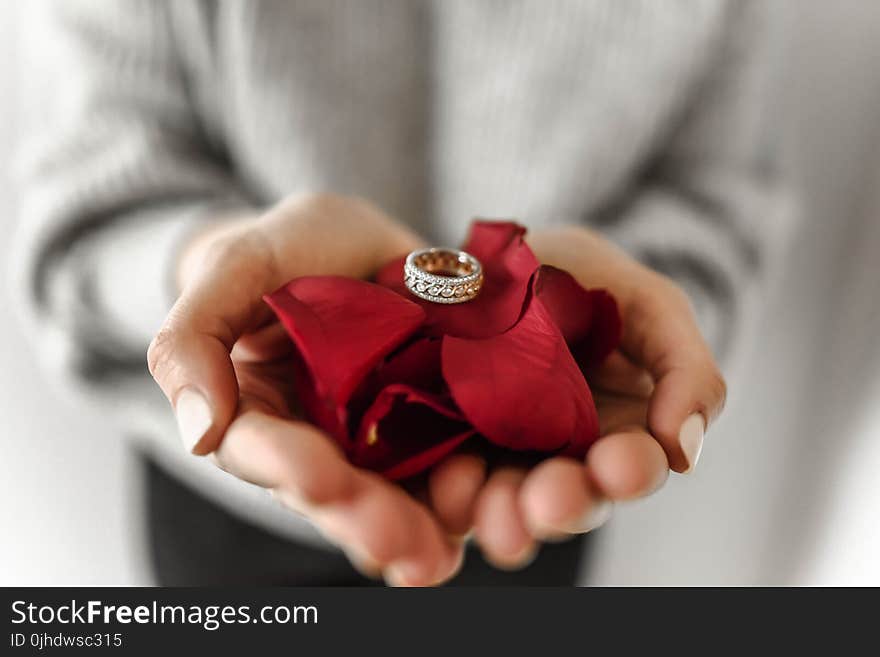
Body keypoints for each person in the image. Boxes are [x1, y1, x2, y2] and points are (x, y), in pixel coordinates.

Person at [13, 0, 780, 585]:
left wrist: (634, 314)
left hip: (540, 487)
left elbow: (712, 200)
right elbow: (94, 185)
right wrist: (213, 272)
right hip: (228, 503)